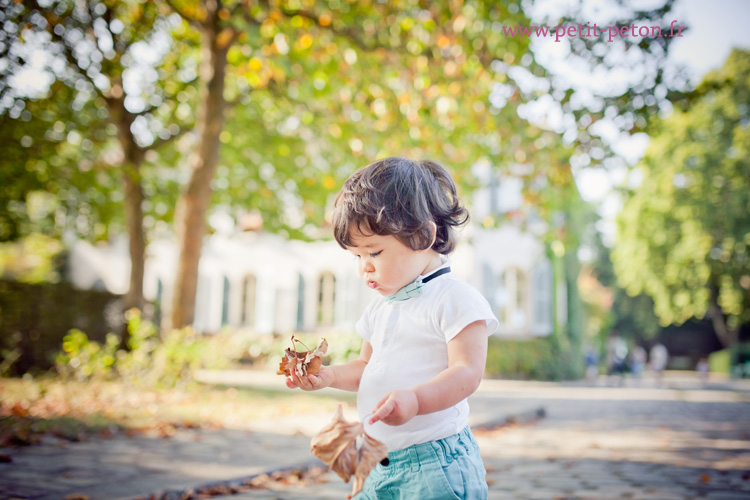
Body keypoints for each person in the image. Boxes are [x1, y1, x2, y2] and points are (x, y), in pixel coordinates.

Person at [285, 157, 498, 499]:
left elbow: (467, 372)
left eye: (374, 252)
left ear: (423, 235)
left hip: (435, 465)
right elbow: (368, 367)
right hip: (377, 460)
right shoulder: (381, 307)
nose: (364, 268)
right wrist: (330, 375)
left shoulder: (455, 299)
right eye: (357, 257)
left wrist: (416, 399)